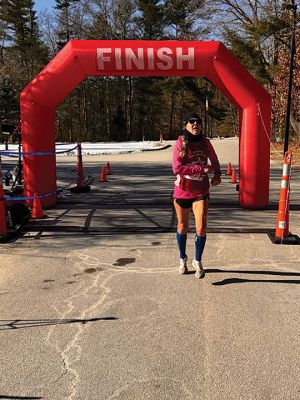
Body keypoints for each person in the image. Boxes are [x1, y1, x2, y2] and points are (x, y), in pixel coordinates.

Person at [172, 112, 221, 278]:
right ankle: (182, 258)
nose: (195, 124)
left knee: (201, 226)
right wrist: (199, 169)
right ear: (186, 125)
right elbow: (176, 168)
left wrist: (217, 174)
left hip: (201, 190)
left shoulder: (205, 142)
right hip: (182, 191)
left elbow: (214, 159)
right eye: (191, 121)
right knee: (182, 226)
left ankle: (197, 260)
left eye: (198, 122)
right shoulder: (181, 143)